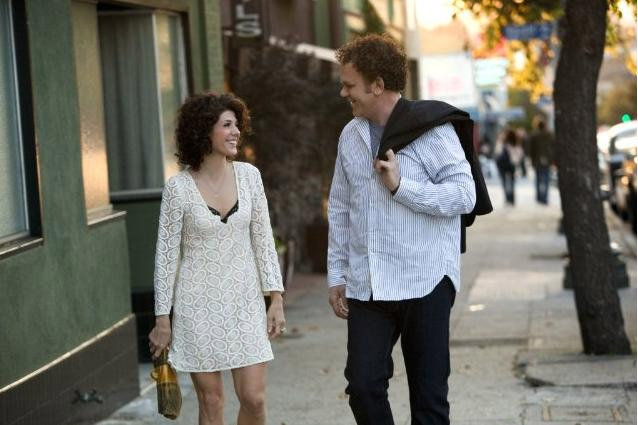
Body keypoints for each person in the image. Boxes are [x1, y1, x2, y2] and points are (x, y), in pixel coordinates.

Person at [327, 34, 477, 425]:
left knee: (429, 400)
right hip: (368, 284)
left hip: (425, 279)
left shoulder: (431, 131)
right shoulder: (351, 135)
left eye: (349, 85)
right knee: (363, 387)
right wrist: (337, 274)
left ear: (377, 84)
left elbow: (465, 195)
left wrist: (401, 186)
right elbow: (341, 208)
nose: (344, 93)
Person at [148, 92, 285, 425]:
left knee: (254, 399)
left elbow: (263, 240)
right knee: (211, 402)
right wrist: (163, 319)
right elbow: (165, 258)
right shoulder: (178, 189)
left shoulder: (250, 177)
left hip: (245, 301)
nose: (236, 132)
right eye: (227, 125)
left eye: (237, 125)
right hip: (197, 306)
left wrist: (276, 298)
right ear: (203, 130)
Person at [529, 118, 553, 204]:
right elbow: (552, 147)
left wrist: (532, 160)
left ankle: (539, 197)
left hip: (537, 160)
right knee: (546, 179)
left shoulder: (534, 135)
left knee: (538, 179)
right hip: (547, 159)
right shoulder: (549, 134)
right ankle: (544, 198)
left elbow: (531, 149)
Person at [496, 129, 523, 205]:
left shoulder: (503, 143)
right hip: (512, 165)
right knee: (512, 182)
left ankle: (507, 198)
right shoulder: (516, 144)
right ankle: (512, 199)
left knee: (505, 182)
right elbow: (520, 155)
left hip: (503, 165)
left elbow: (497, 152)